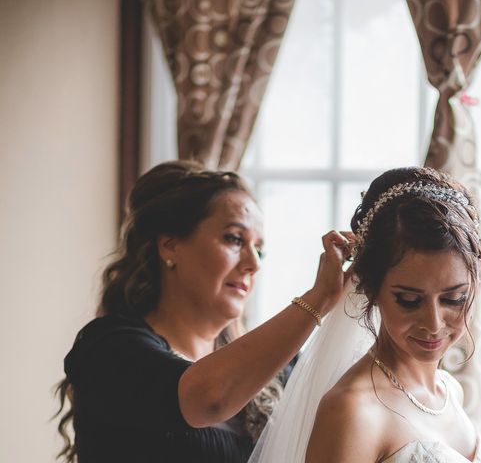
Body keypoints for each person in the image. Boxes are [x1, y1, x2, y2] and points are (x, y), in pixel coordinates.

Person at [54, 160, 354, 463]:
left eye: (259, 249)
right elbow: (208, 399)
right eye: (234, 239)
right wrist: (318, 299)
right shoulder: (109, 349)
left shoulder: (278, 369)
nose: (254, 263)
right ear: (170, 246)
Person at [249, 166, 481, 462]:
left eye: (454, 298)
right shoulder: (353, 411)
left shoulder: (450, 391)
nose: (434, 323)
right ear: (371, 288)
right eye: (408, 300)